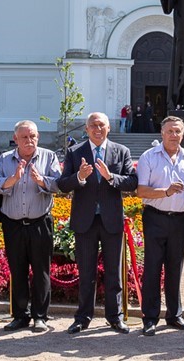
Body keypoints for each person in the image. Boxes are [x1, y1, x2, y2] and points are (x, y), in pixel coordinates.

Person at [57, 112, 137, 334]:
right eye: (93, 125)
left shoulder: (122, 151)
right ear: (86, 128)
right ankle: (83, 317)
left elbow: (132, 181)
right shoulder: (75, 152)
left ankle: (115, 317)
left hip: (111, 220)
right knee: (86, 272)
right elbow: (63, 184)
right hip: (85, 221)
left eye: (102, 125)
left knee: (113, 272)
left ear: (109, 128)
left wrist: (111, 177)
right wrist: (80, 177)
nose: (98, 128)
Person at [0, 120, 62, 333]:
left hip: (40, 223)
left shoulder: (49, 157)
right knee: (17, 270)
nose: (29, 141)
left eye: (33, 136)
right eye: (24, 137)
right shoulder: (4, 159)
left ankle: (40, 316)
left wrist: (41, 181)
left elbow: (58, 183)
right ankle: (20, 316)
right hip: (13, 225)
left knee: (41, 271)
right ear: (16, 139)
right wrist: (13, 179)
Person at [136, 116, 184, 335]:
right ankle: (150, 318)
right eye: (170, 131)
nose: (174, 135)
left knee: (175, 268)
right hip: (155, 217)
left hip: (180, 219)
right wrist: (166, 191)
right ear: (162, 133)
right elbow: (141, 191)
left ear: (183, 134)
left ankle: (174, 315)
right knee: (153, 268)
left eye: (178, 131)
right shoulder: (148, 157)